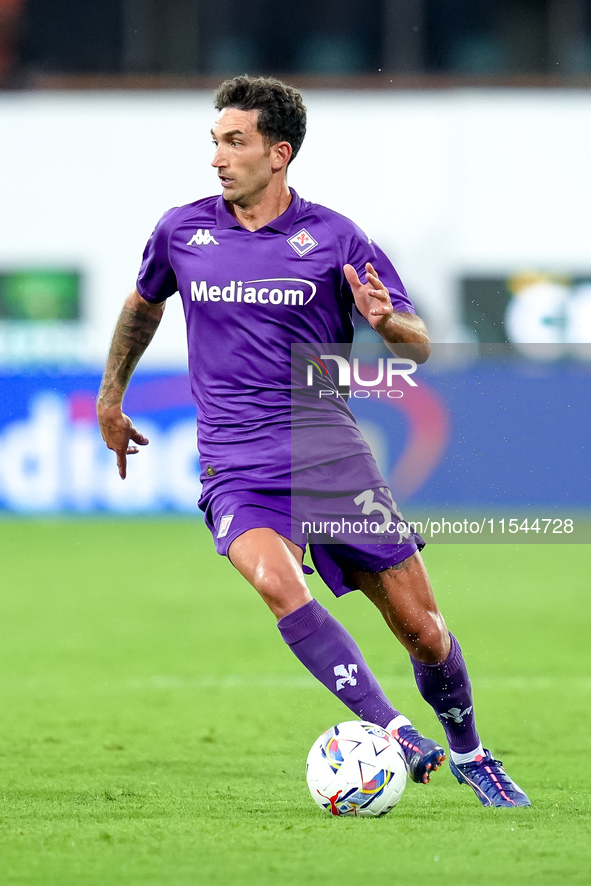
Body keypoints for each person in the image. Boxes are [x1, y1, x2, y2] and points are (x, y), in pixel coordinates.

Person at [97, 75, 530, 808]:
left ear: (279, 152)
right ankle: (391, 730)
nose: (217, 159)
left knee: (422, 632)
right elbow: (142, 307)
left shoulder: (335, 237)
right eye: (215, 143)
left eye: (235, 143)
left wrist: (387, 324)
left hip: (327, 456)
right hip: (235, 463)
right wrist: (111, 396)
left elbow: (419, 343)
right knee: (275, 582)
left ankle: (469, 751)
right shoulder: (182, 231)